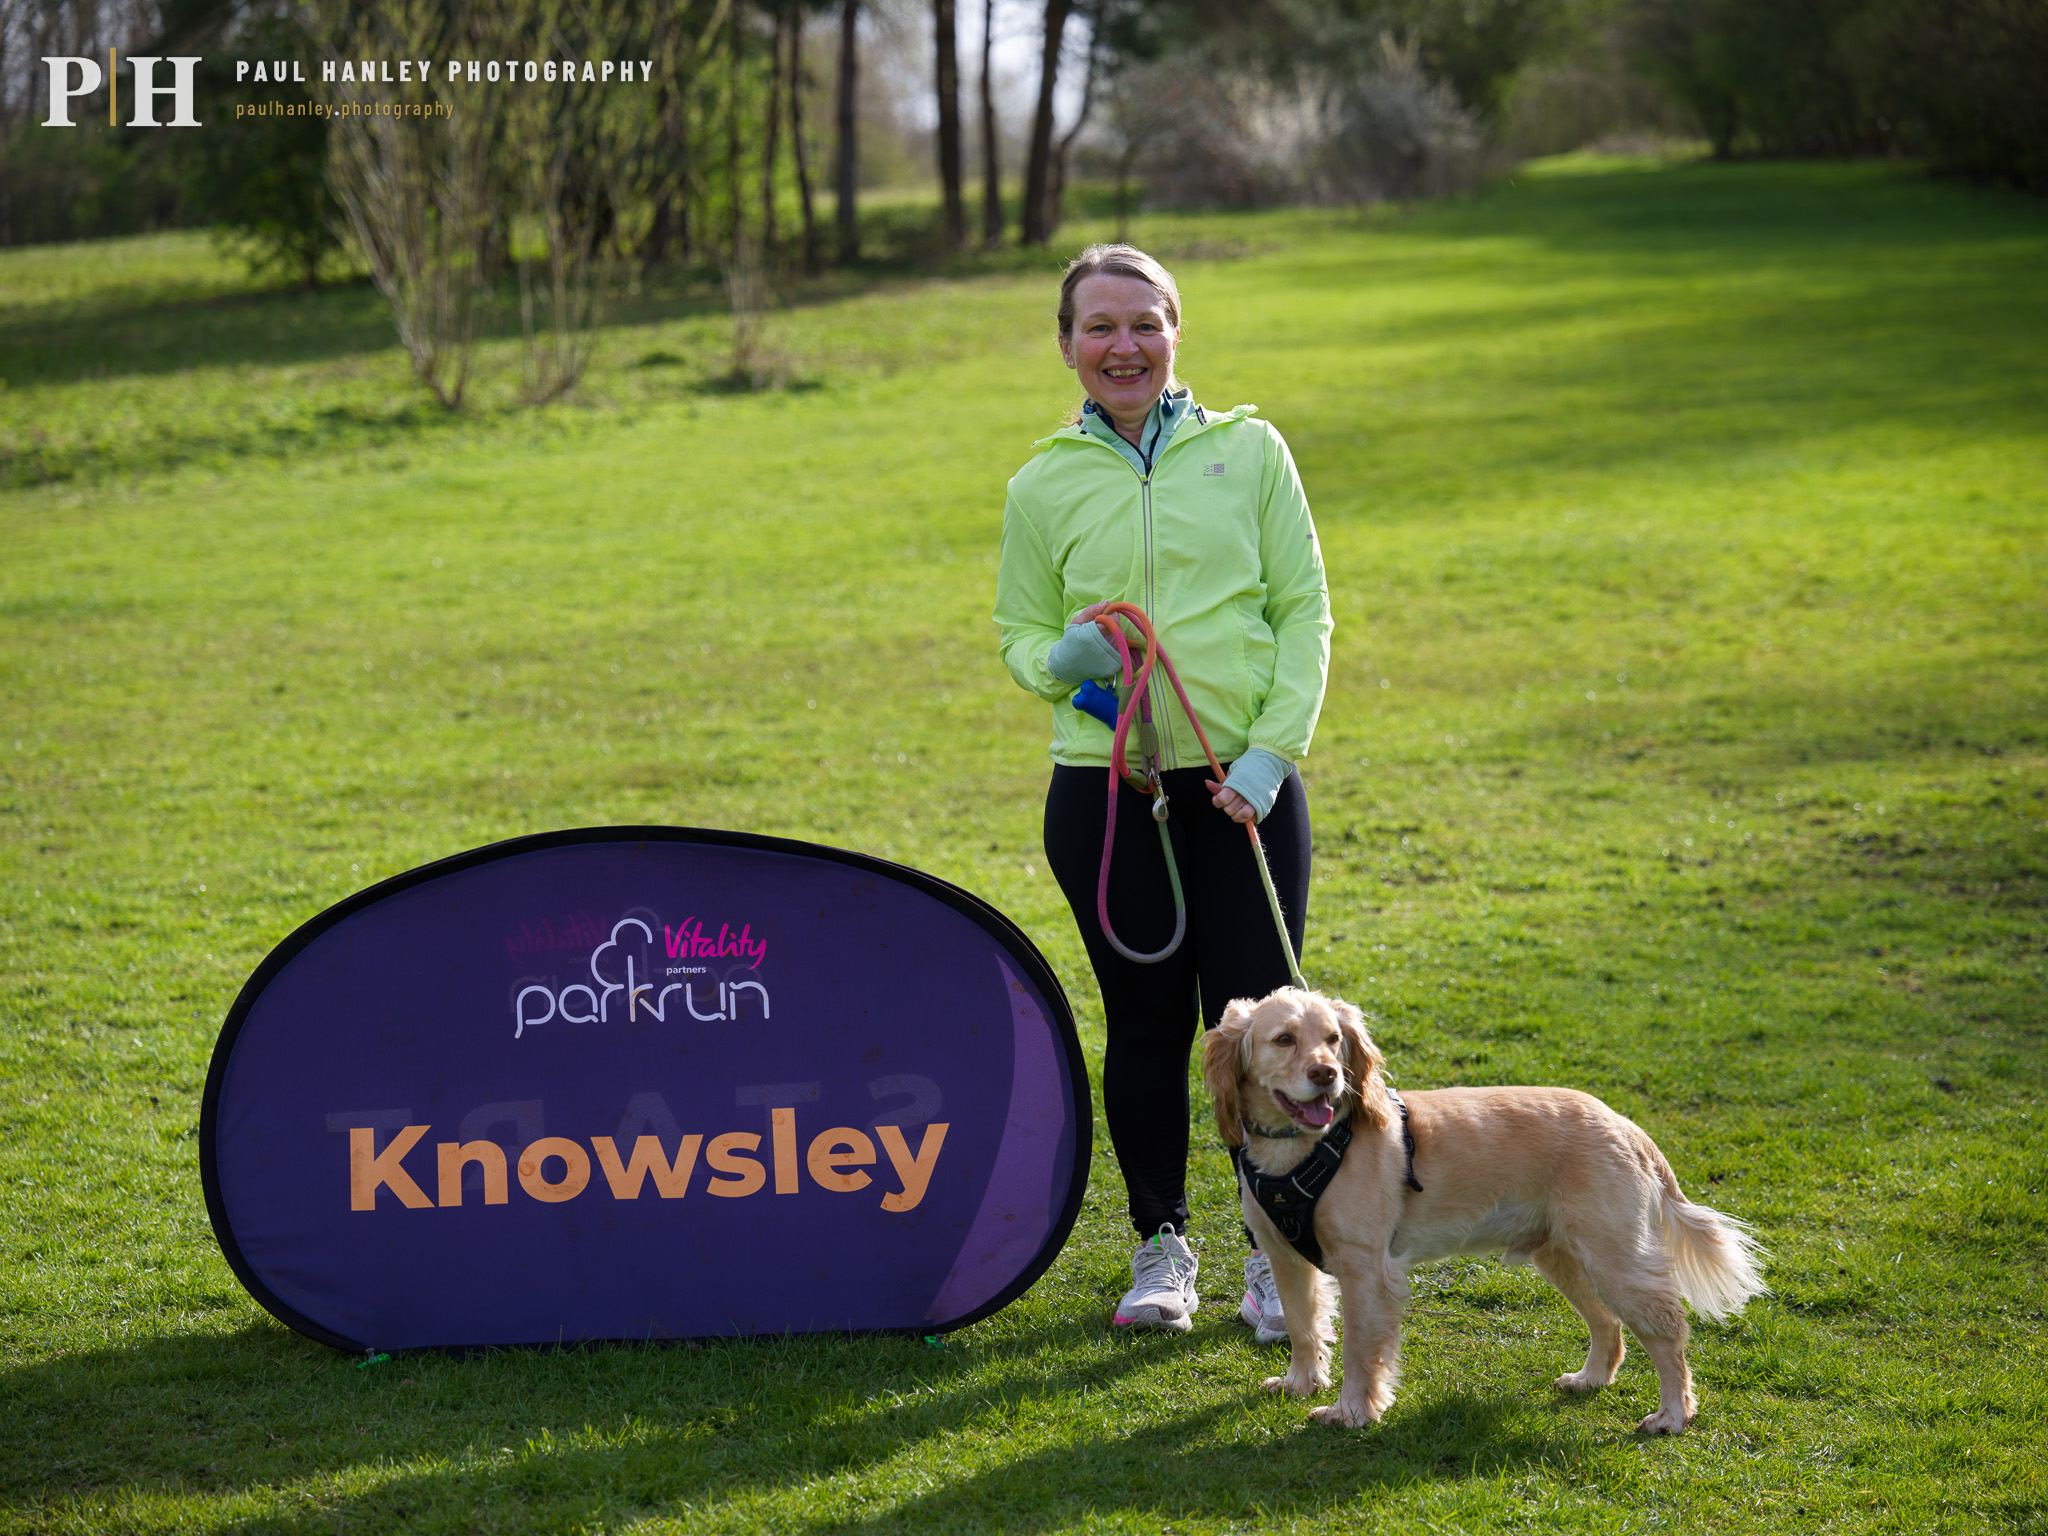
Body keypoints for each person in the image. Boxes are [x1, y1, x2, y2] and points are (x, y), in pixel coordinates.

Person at [993, 243, 1332, 1337]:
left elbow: (1303, 614)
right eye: (1098, 327)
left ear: (1175, 331)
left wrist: (1267, 762)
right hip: (1106, 797)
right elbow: (1017, 638)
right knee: (1141, 1025)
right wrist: (1067, 669)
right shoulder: (1040, 483)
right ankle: (1160, 1247)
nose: (1121, 346)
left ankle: (1273, 1258)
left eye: (1142, 322)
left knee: (1260, 1037)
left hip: (1242, 793)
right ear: (1066, 347)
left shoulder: (1250, 451)